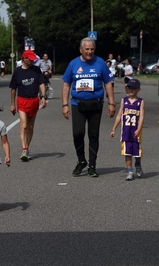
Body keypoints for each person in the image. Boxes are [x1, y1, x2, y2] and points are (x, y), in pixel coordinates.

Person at [61, 37, 115, 177]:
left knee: (93, 135)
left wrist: (111, 103)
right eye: (87, 49)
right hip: (77, 104)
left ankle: (92, 165)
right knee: (77, 133)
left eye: (92, 49)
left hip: (96, 104)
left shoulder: (100, 63)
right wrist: (65, 104)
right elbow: (66, 84)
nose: (90, 52)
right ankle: (81, 160)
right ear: (81, 50)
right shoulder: (73, 64)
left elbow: (108, 83)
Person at [10, 49, 47, 161]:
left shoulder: (36, 70)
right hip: (22, 100)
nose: (31, 61)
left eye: (33, 60)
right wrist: (12, 104)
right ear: (24, 59)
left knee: (30, 126)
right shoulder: (17, 72)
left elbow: (41, 83)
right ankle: (24, 149)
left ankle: (27, 148)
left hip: (34, 100)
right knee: (24, 125)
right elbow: (13, 89)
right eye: (29, 59)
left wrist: (43, 97)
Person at [110, 79, 144, 181]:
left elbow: (141, 116)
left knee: (137, 152)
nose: (131, 90)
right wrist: (113, 129)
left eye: (133, 88)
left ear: (138, 89)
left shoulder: (140, 101)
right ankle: (129, 171)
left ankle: (138, 164)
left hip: (135, 132)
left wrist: (139, 129)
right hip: (125, 131)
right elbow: (119, 115)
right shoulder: (123, 101)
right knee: (127, 152)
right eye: (129, 87)